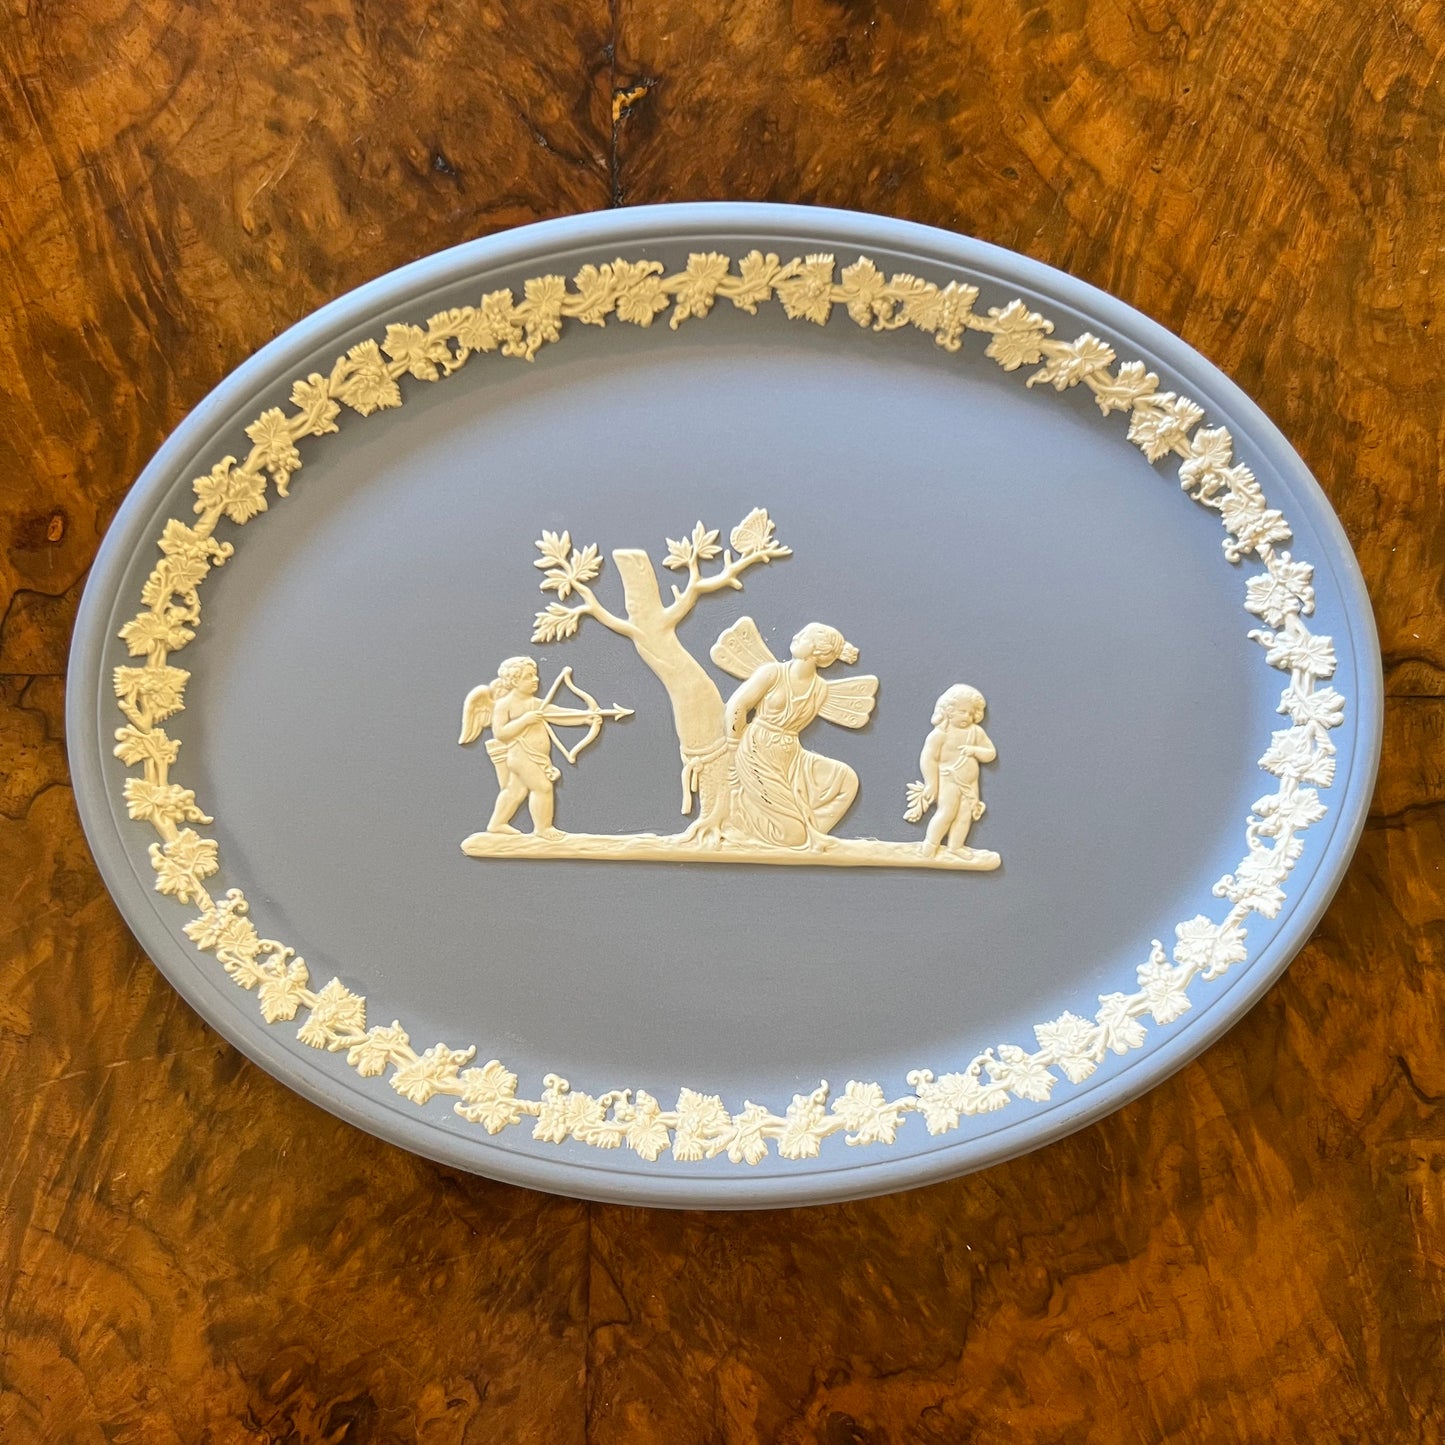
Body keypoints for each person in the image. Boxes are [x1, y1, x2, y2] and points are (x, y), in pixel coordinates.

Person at [722, 622, 876, 849]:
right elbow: (737, 706)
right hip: (756, 750)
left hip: (791, 756)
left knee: (847, 780)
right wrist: (733, 747)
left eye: (804, 636)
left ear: (817, 651)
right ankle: (750, 825)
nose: (795, 636)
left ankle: (809, 834)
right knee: (792, 836)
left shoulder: (819, 689)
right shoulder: (772, 673)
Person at [458, 656, 563, 837]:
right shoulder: (504, 705)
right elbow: (500, 733)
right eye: (528, 676)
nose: (536, 679)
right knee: (542, 787)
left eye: (535, 675)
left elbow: (560, 715)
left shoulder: (536, 703)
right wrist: (525, 720)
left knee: (515, 791)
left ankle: (497, 824)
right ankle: (543, 828)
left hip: (535, 756)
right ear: (514, 681)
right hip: (521, 756)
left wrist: (588, 716)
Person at [915, 683, 995, 858]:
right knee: (947, 813)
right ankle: (931, 844)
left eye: (971, 713)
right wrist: (931, 783)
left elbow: (990, 753)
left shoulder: (976, 732)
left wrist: (975, 750)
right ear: (949, 711)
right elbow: (928, 759)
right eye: (962, 711)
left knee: (965, 815)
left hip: (970, 784)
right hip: (949, 780)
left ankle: (956, 846)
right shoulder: (939, 734)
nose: (967, 716)